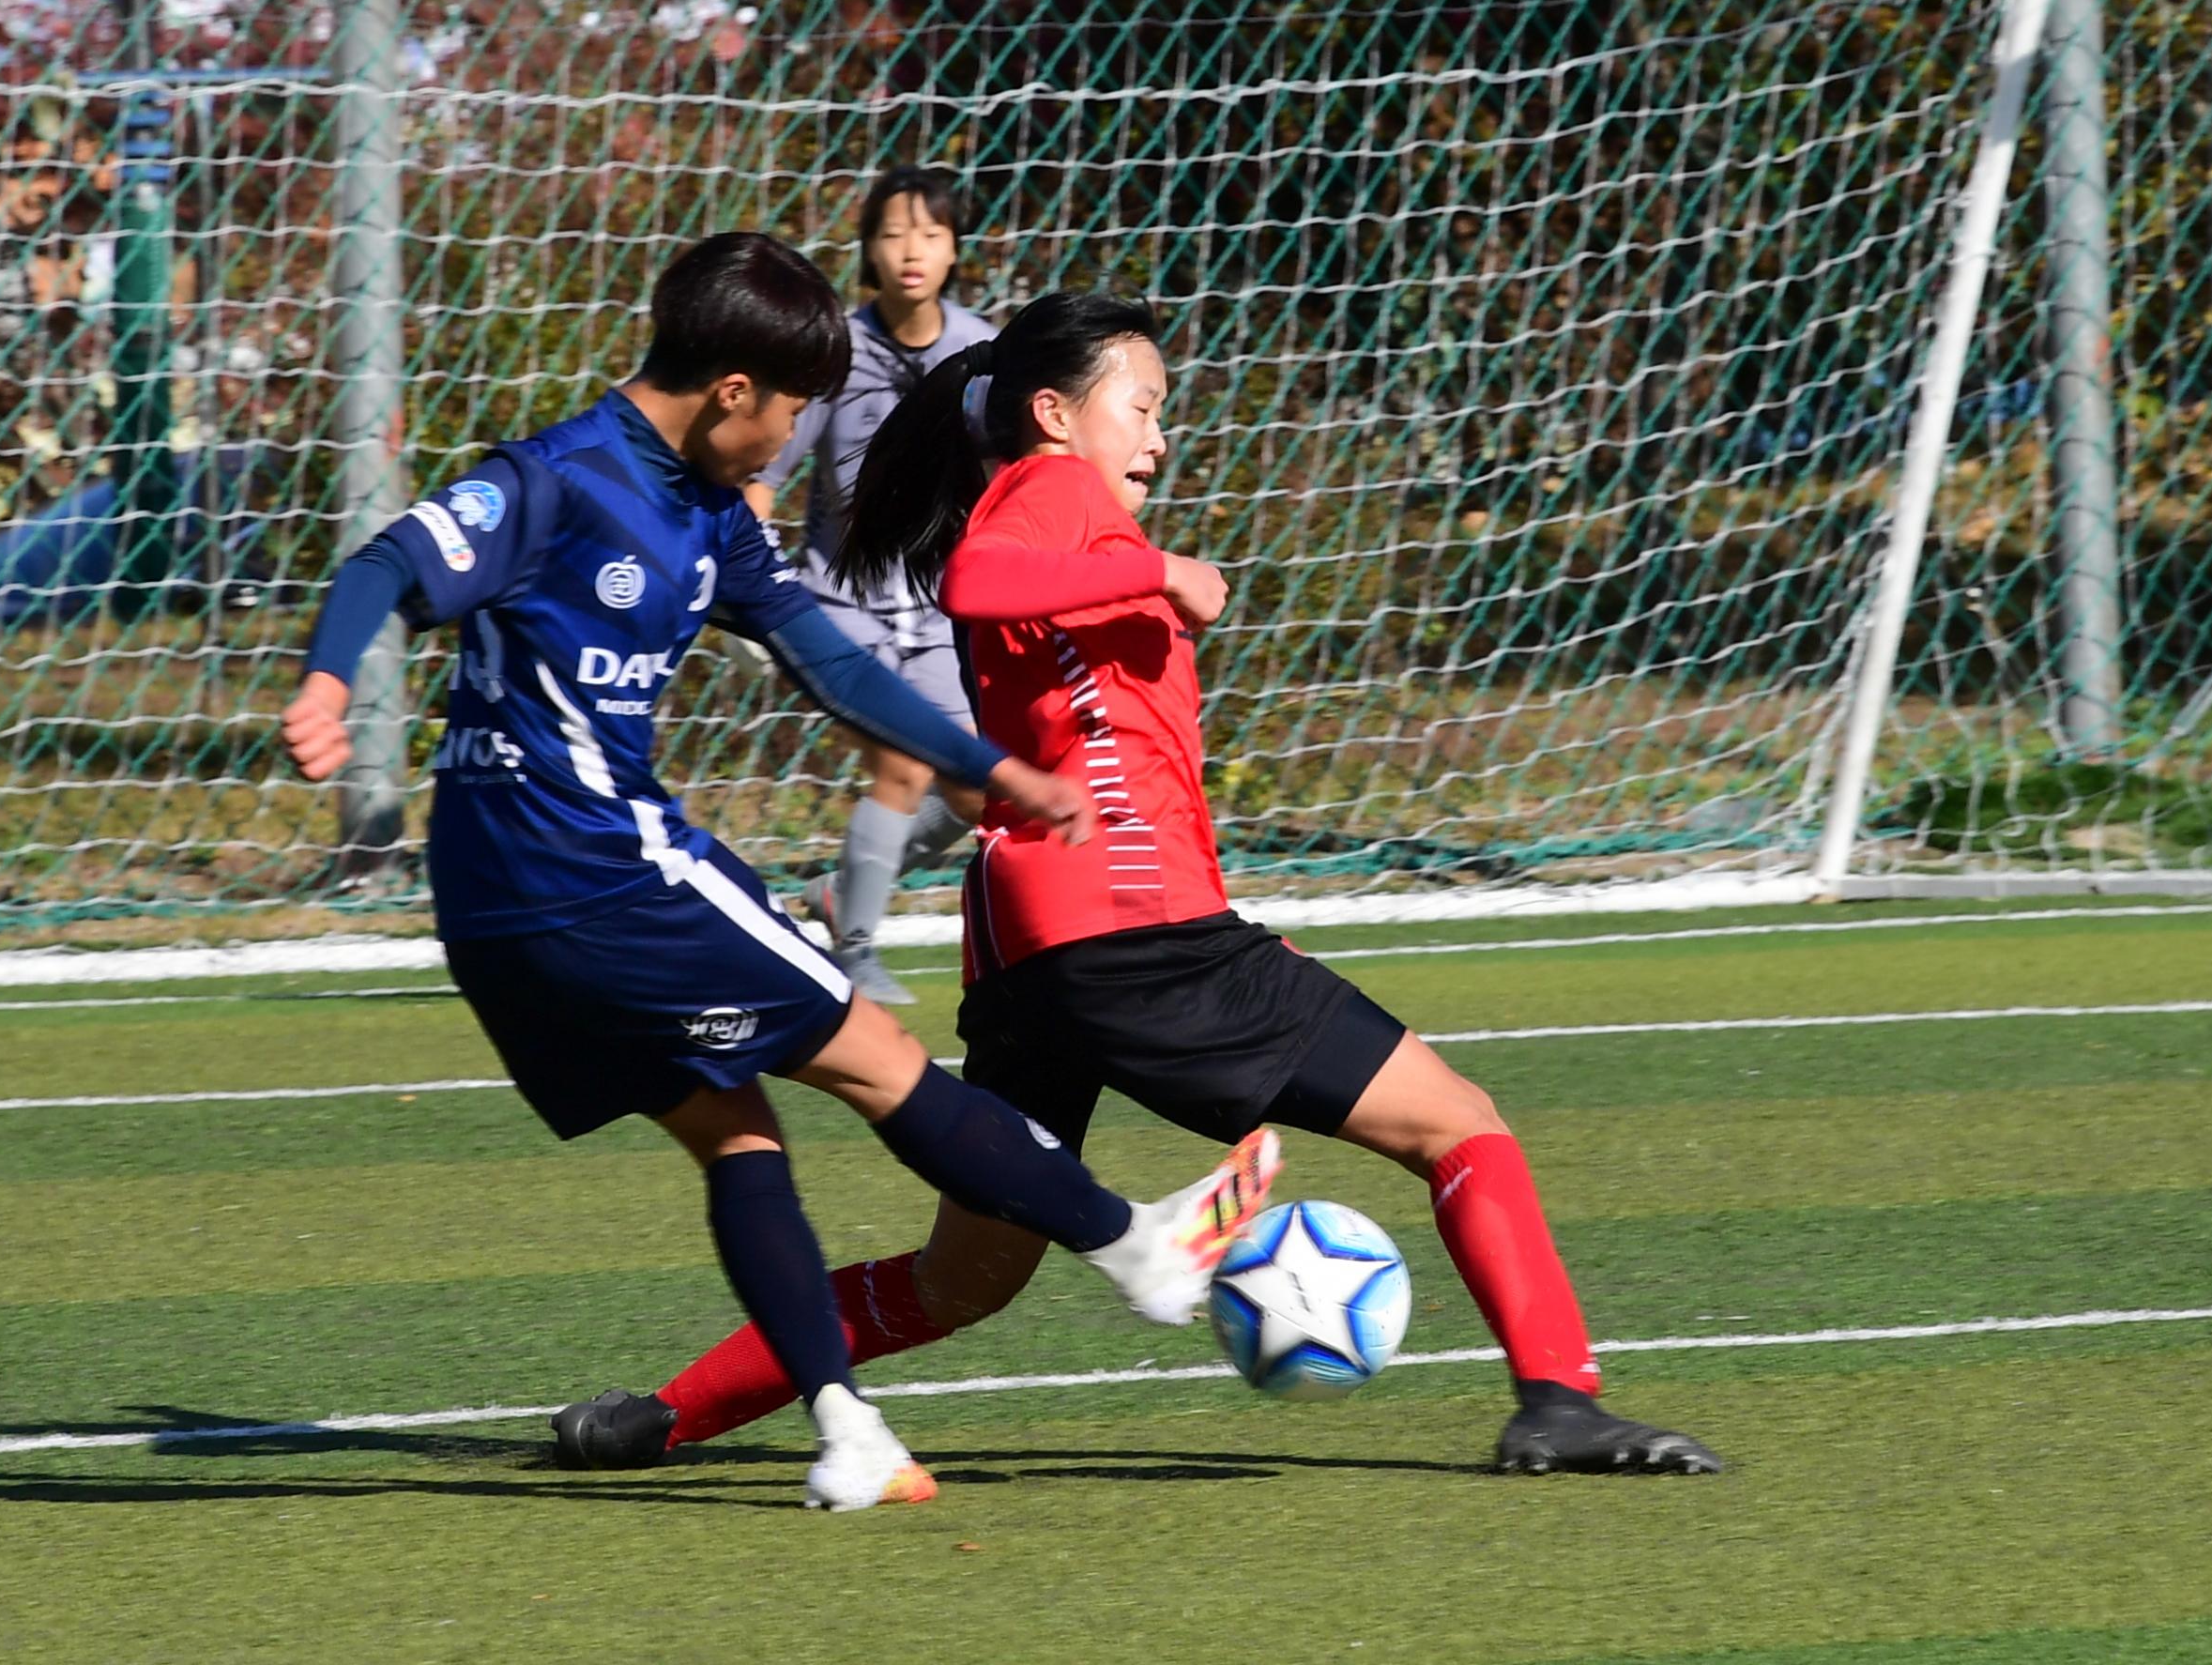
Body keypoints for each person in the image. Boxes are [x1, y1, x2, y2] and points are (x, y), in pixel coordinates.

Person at [547, 292, 1722, 1480]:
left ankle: (661, 1415)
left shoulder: (1045, 506)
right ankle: (1558, 1401)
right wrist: (1166, 567)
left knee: (966, 1274)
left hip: (1033, 945)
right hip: (1139, 929)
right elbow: (977, 578)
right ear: (1054, 414)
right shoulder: (1054, 495)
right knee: (1458, 1121)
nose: (1159, 436)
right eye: (1143, 406)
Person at [281, 239, 1280, 1511]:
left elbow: (837, 669)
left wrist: (992, 768)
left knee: (736, 1131)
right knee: (878, 1058)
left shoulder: (707, 514)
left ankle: (847, 1432)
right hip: (599, 865)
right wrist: (327, 675)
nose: (800, 439)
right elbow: (384, 566)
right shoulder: (556, 479)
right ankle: (1137, 1248)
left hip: (493, 908)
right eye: (797, 410)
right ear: (734, 390)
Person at [748, 166, 995, 1003]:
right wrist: (754, 577)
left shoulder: (982, 350)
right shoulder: (833, 352)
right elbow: (763, 474)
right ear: (868, 249)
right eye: (892, 234)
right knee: (900, 759)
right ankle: (851, 953)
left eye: (929, 233)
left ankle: (836, 894)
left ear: (957, 247)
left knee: (974, 786)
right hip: (837, 604)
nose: (910, 251)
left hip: (935, 610)